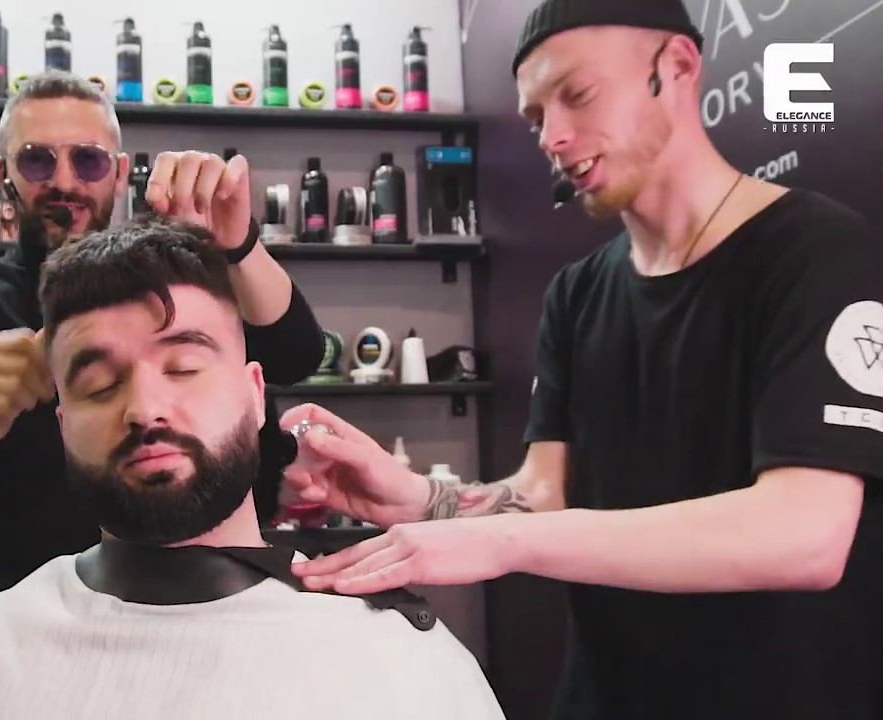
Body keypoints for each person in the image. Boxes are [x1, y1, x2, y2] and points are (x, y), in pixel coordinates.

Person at [278, 2, 883, 719]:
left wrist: (507, 542)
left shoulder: (815, 254)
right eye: (536, 116)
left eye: (579, 95)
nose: (553, 137)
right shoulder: (578, 291)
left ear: (677, 68)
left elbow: (803, 535)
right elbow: (546, 493)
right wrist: (419, 500)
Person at [0, 223, 505, 720]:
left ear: (255, 394)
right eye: (99, 385)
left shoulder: (397, 660)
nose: (145, 409)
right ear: (62, 424)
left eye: (183, 368)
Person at [0, 71, 324, 661]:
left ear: (120, 173)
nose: (65, 181)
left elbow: (297, 353)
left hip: (172, 610)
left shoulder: (169, 288)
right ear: (3, 175)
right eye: (37, 160)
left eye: (88, 161)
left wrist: (238, 242)